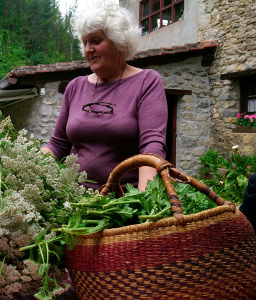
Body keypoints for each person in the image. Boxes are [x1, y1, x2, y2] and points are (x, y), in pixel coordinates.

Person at [41, 1, 167, 191]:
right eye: (85, 43)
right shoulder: (75, 87)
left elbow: (152, 148)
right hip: (73, 199)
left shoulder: (146, 82)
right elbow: (58, 144)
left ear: (119, 43)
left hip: (123, 204)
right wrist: (26, 162)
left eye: (96, 41)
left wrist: (144, 202)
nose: (88, 49)